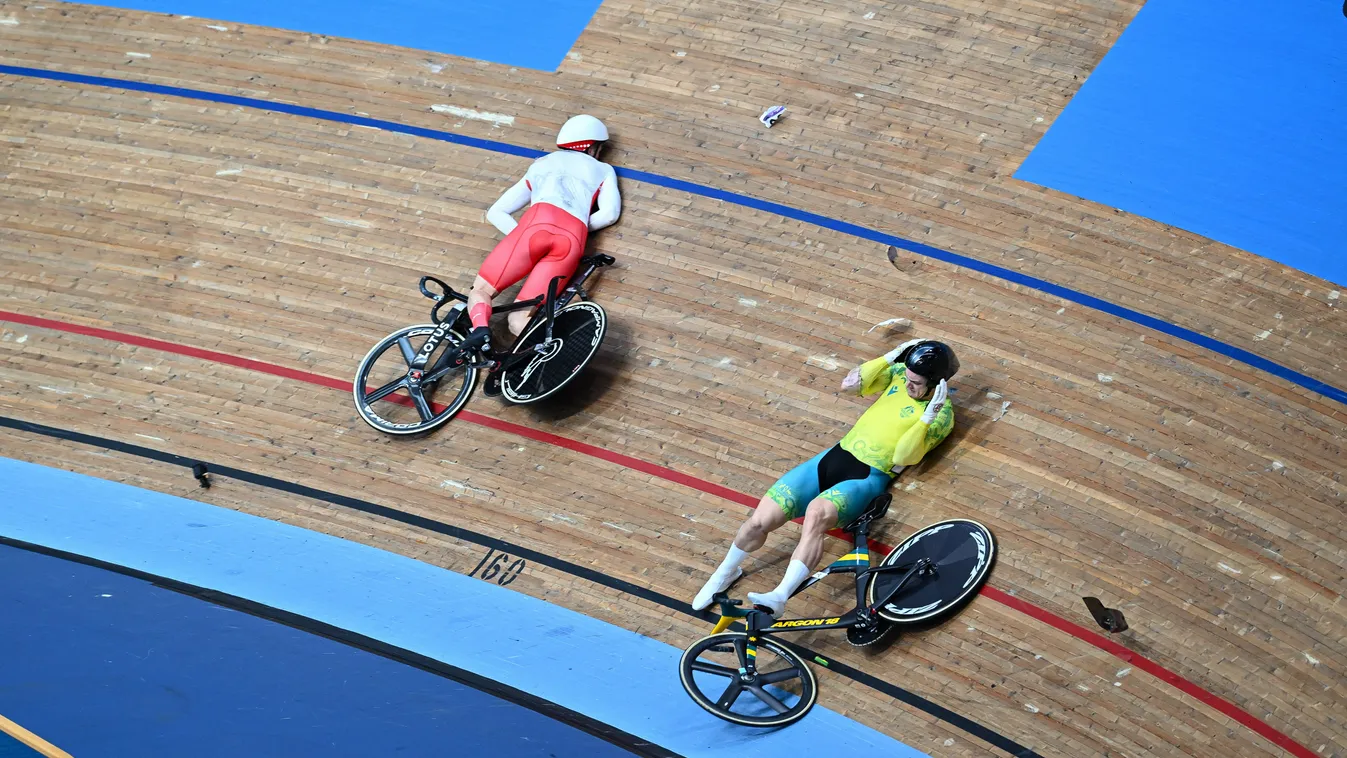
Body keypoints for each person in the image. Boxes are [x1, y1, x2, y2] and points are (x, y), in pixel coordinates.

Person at [691, 339, 959, 617]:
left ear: (935, 382)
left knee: (815, 515)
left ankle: (779, 597)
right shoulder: (900, 374)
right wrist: (888, 358)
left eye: (916, 383)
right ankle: (725, 573)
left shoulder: (942, 416)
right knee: (758, 522)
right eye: (908, 377)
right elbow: (850, 385)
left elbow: (905, 457)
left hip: (868, 477)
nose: (908, 385)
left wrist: (927, 419)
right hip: (832, 458)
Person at [461, 114, 621, 354]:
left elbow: (497, 211)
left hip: (534, 228)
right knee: (519, 318)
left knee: (481, 291)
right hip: (572, 240)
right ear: (591, 147)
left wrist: (521, 237)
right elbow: (609, 214)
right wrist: (574, 228)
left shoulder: (542, 163)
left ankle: (480, 333)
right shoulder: (604, 169)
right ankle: (545, 362)